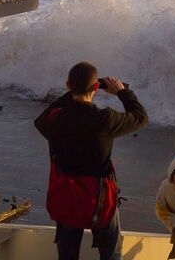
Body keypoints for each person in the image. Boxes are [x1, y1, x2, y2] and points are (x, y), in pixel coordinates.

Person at [34, 62, 148, 260]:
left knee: (67, 255)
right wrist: (122, 92)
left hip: (67, 196)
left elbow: (41, 118)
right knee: (111, 254)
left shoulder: (54, 119)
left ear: (68, 85)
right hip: (101, 199)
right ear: (96, 88)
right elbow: (140, 117)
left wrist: (72, 92)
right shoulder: (106, 119)